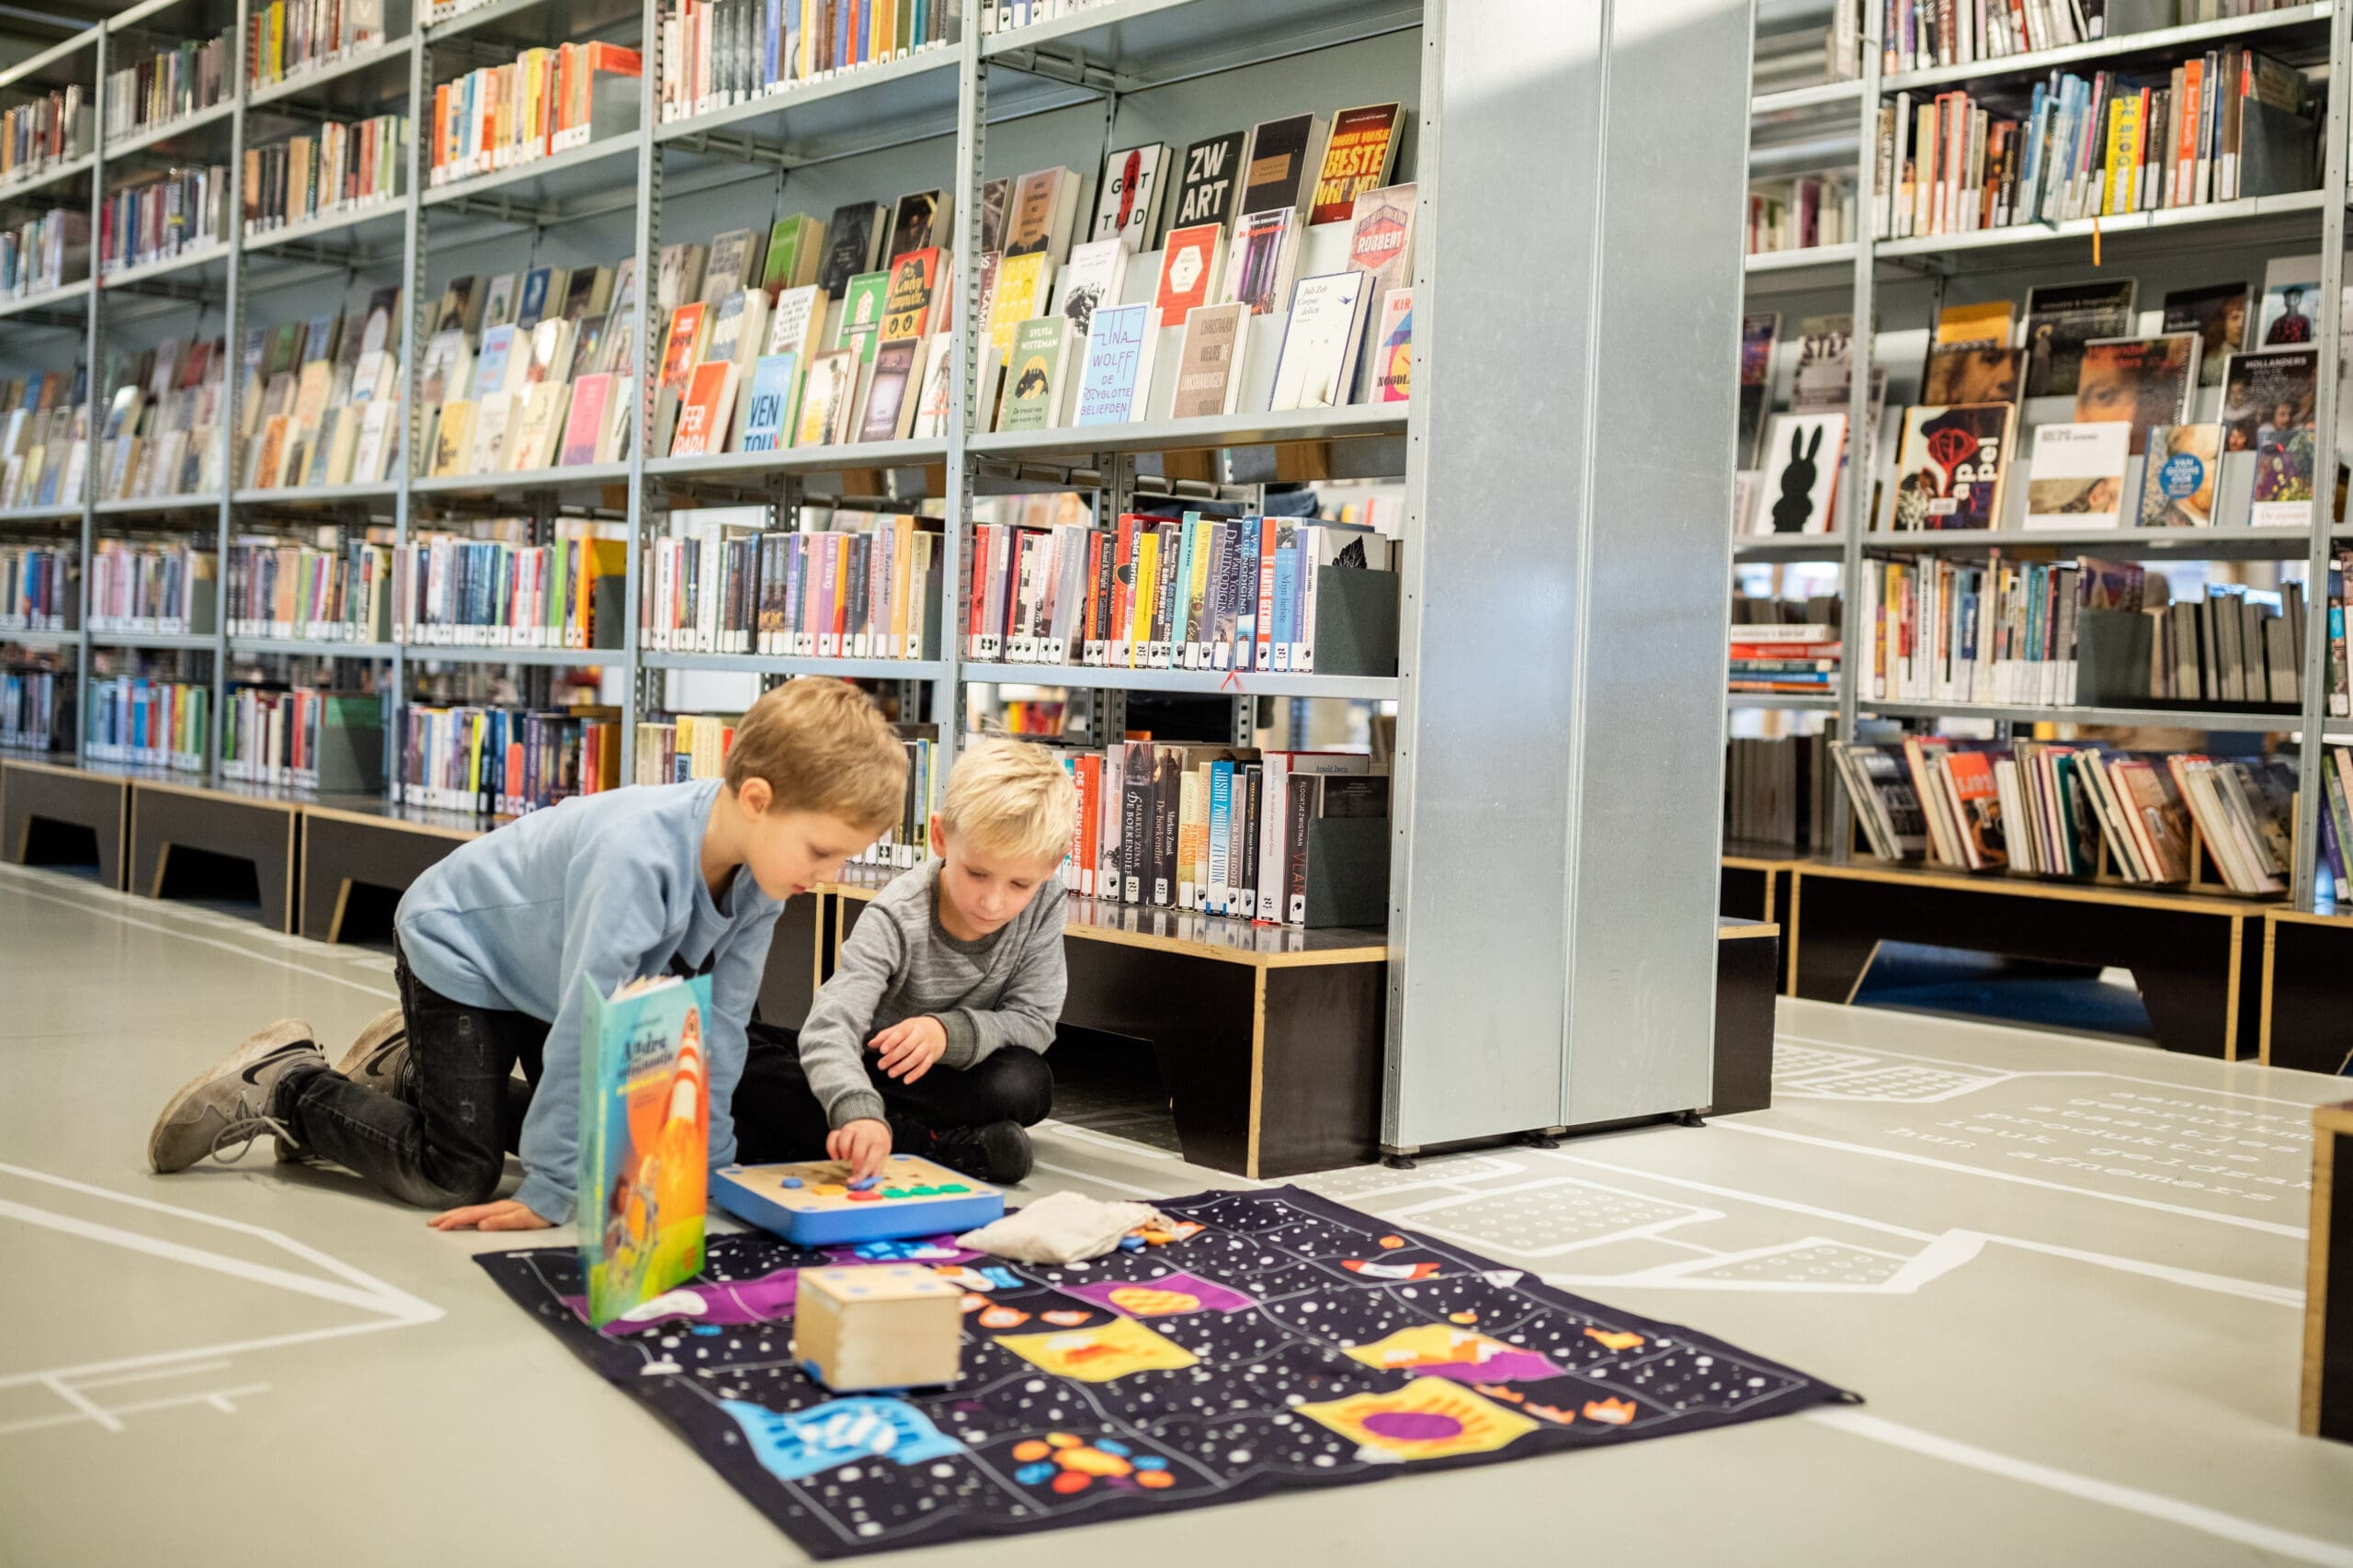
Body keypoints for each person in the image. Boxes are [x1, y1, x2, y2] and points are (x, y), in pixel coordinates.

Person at [145, 679, 909, 1233]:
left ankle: (411, 1072)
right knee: (455, 1174)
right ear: (757, 800)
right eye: (823, 851)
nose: (831, 877)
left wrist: (706, 1169)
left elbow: (721, 1034)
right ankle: (289, 1090)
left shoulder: (764, 879)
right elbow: (590, 1020)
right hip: (464, 952)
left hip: (545, 974)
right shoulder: (639, 857)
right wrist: (549, 1188)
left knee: (617, 1150)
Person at [732, 736, 1079, 1187]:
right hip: (870, 1068)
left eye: (1019, 884)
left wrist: (947, 1033)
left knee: (1026, 1083)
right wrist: (857, 1107)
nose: (993, 902)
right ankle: (932, 1146)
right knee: (736, 1053)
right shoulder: (898, 913)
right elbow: (831, 1027)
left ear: (1052, 865)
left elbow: (1034, 1020)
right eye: (977, 873)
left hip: (951, 1079)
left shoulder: (1046, 901)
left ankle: (835, 1134)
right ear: (940, 838)